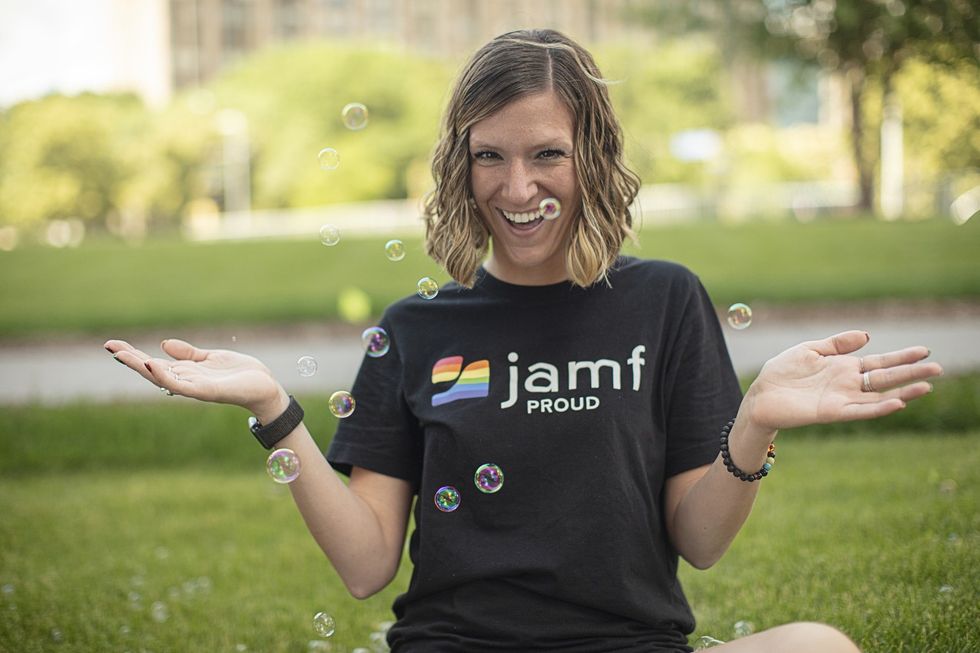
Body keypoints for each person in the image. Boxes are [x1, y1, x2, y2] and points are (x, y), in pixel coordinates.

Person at [105, 29, 943, 653]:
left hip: (629, 644)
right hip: (456, 645)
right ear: (459, 167)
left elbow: (700, 541)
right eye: (490, 157)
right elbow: (366, 567)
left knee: (819, 647)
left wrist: (752, 422)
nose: (518, 187)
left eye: (548, 153)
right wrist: (274, 409)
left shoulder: (665, 300)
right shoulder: (414, 330)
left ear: (594, 156)